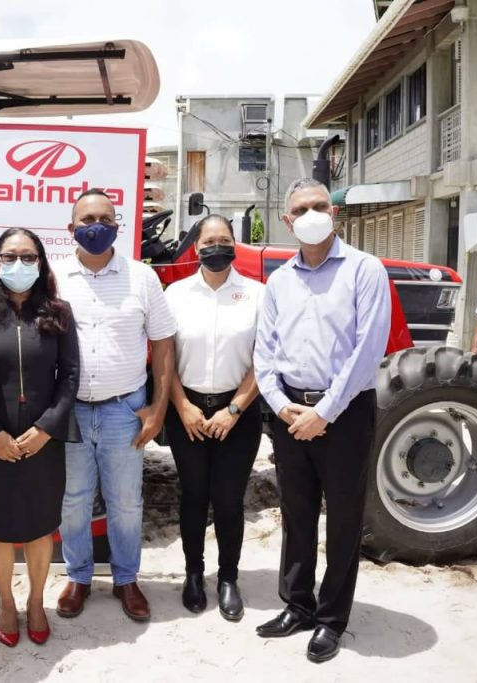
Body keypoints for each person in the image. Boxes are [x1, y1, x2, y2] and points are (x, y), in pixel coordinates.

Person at [253, 178, 391, 663]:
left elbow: (367, 349)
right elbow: (264, 351)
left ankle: (332, 618)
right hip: (291, 411)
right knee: (296, 512)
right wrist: (278, 401)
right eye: (300, 208)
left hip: (345, 412)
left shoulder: (365, 270)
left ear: (333, 213)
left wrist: (324, 411)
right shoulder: (278, 280)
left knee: (345, 516)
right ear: (287, 221)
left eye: (319, 205)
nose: (311, 213)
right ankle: (298, 604)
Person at [53, 188, 177, 622]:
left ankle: (126, 579)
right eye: (86, 220)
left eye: (105, 219)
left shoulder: (142, 277)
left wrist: (158, 408)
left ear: (118, 227)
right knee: (73, 500)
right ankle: (79, 577)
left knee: (126, 501)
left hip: (125, 410)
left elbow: (162, 344)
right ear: (71, 230)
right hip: (70, 413)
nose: (96, 227)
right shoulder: (53, 277)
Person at [0, 228, 80, 647]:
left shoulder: (59, 313)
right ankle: (7, 602)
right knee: (0, 529)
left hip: (44, 442)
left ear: (42, 264)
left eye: (29, 257)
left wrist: (47, 429)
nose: (19, 265)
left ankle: (35, 601)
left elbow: (71, 377)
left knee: (41, 528)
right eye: (9, 257)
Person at [163, 214, 264, 621]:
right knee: (193, 496)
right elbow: (164, 357)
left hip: (238, 413)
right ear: (196, 248)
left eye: (224, 240)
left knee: (227, 499)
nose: (216, 248)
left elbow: (264, 359)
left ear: (235, 244)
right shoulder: (175, 294)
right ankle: (193, 574)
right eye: (208, 241)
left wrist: (234, 409)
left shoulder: (258, 294)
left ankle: (227, 578)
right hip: (186, 411)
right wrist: (182, 406)